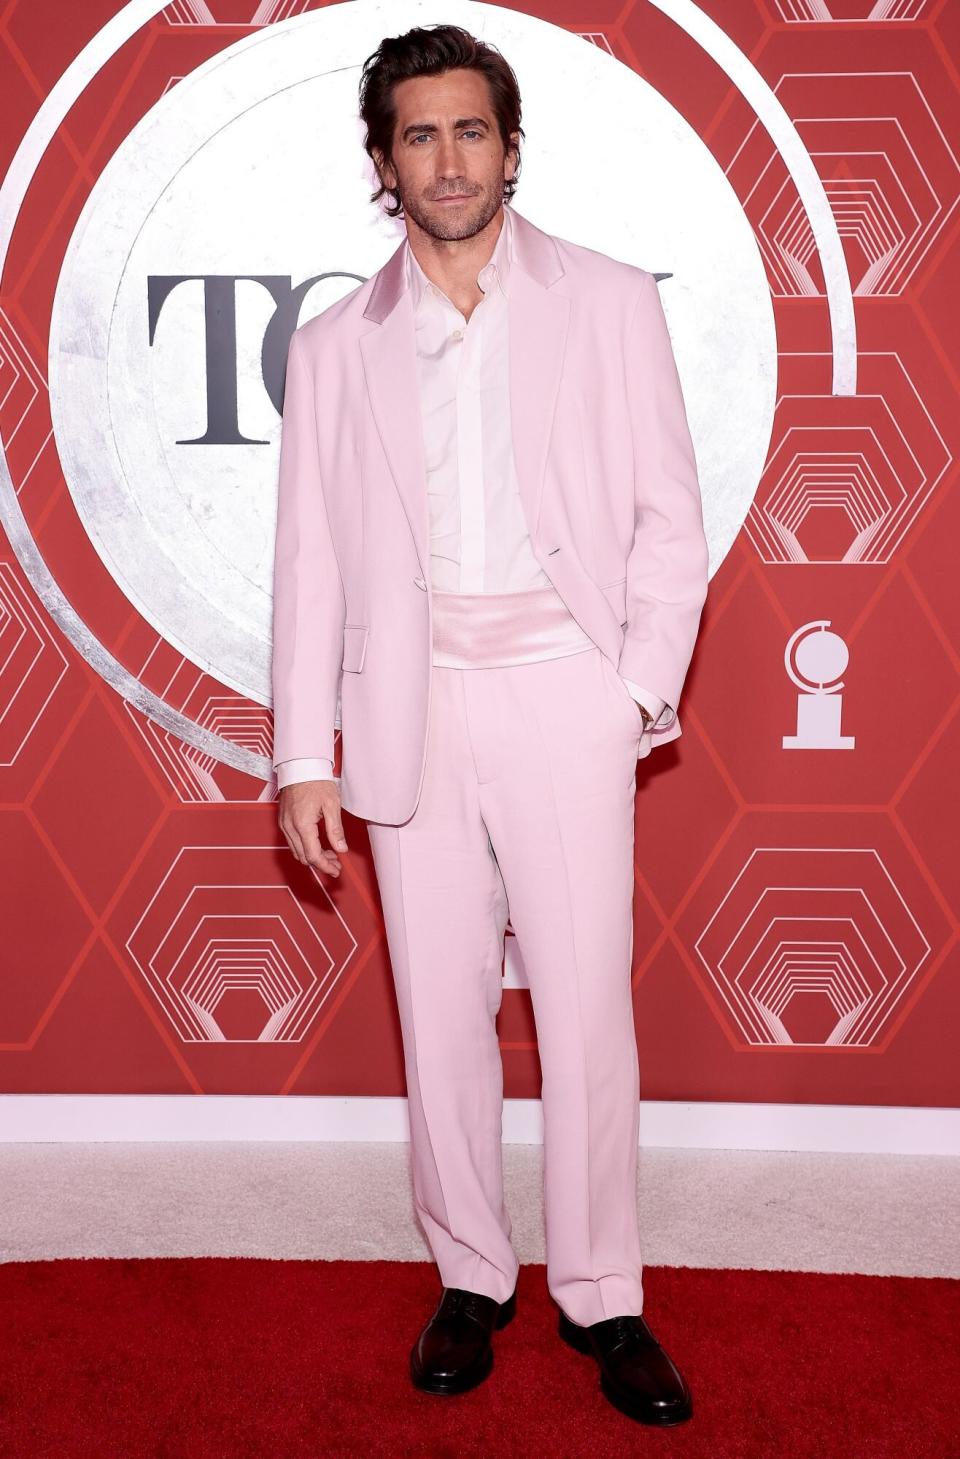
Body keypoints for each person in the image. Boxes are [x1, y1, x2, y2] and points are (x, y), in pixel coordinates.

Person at [271, 23, 709, 1428]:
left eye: (470, 131)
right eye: (418, 134)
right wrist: (302, 753)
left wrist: (632, 690)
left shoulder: (609, 302)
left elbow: (665, 522)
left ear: (511, 148)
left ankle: (602, 1294)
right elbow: (310, 564)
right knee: (439, 1014)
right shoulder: (341, 347)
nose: (447, 158)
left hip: (564, 698)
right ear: (382, 162)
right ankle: (471, 1275)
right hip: (411, 712)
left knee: (586, 1007)